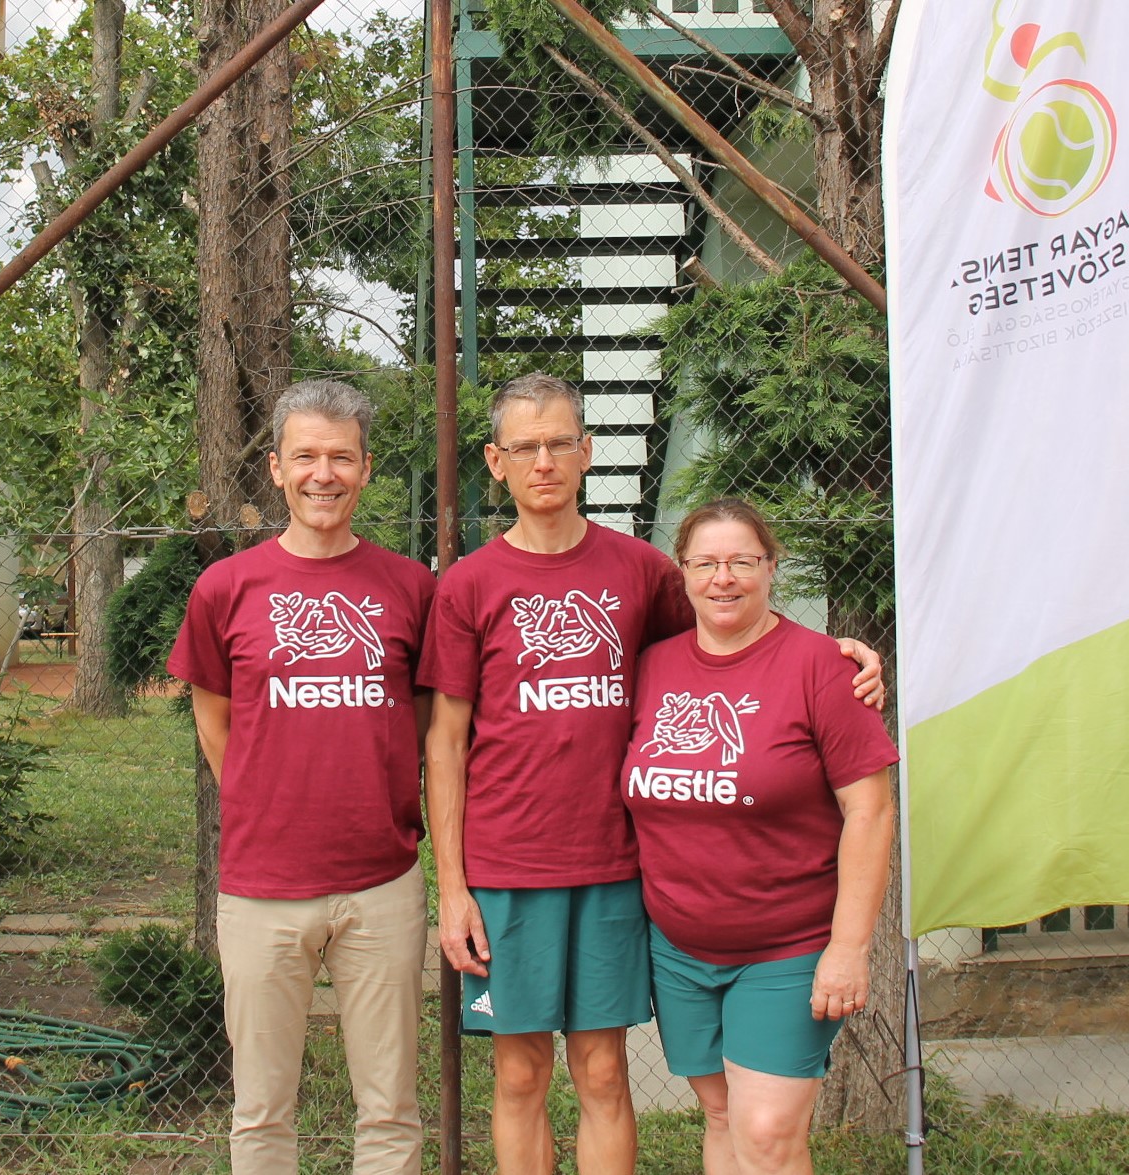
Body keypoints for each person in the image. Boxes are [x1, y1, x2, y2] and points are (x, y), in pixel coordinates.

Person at [419, 374, 883, 1173]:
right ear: (494, 462)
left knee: (601, 1071)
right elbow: (444, 743)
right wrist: (452, 885)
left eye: (560, 442)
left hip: (611, 869)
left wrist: (836, 654)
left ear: (587, 453)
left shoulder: (638, 571)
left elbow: (729, 635)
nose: (543, 462)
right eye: (524, 447)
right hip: (505, 871)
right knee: (520, 1071)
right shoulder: (467, 584)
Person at [167, 380, 435, 1174]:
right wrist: (260, 791)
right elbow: (212, 714)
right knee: (260, 1111)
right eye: (307, 456)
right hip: (261, 884)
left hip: (381, 880)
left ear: (366, 469)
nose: (325, 473)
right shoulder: (227, 587)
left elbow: (421, 715)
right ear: (277, 469)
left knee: (388, 1107)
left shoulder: (409, 587)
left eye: (342, 457)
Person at [620, 498, 897, 1175]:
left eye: (741, 561)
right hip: (679, 947)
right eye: (706, 563)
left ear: (771, 568)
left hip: (787, 946)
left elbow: (870, 812)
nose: (723, 578)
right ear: (680, 572)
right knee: (720, 1115)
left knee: (768, 1129)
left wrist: (847, 947)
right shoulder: (651, 664)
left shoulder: (821, 669)